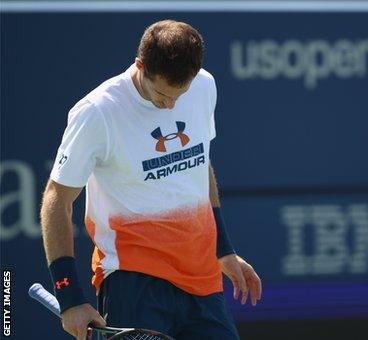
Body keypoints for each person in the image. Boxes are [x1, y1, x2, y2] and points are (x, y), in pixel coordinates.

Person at [40, 20, 261, 340]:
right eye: (161, 95)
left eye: (179, 94)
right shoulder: (97, 112)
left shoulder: (203, 86)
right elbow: (56, 200)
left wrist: (223, 250)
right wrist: (69, 298)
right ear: (140, 65)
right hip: (134, 280)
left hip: (202, 279)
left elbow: (199, 166)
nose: (170, 105)